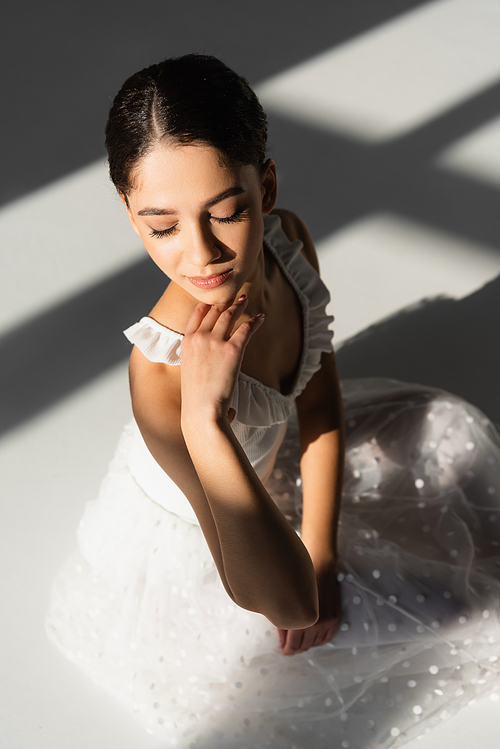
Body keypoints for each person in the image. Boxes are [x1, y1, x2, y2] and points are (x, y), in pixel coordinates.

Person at [46, 54, 500, 749]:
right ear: (129, 212)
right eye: (161, 225)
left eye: (227, 213)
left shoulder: (288, 243)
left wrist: (320, 547)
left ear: (267, 185)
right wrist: (205, 421)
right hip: (215, 541)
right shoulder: (161, 380)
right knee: (461, 609)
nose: (201, 256)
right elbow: (284, 600)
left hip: (276, 477)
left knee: (451, 433)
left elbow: (316, 401)